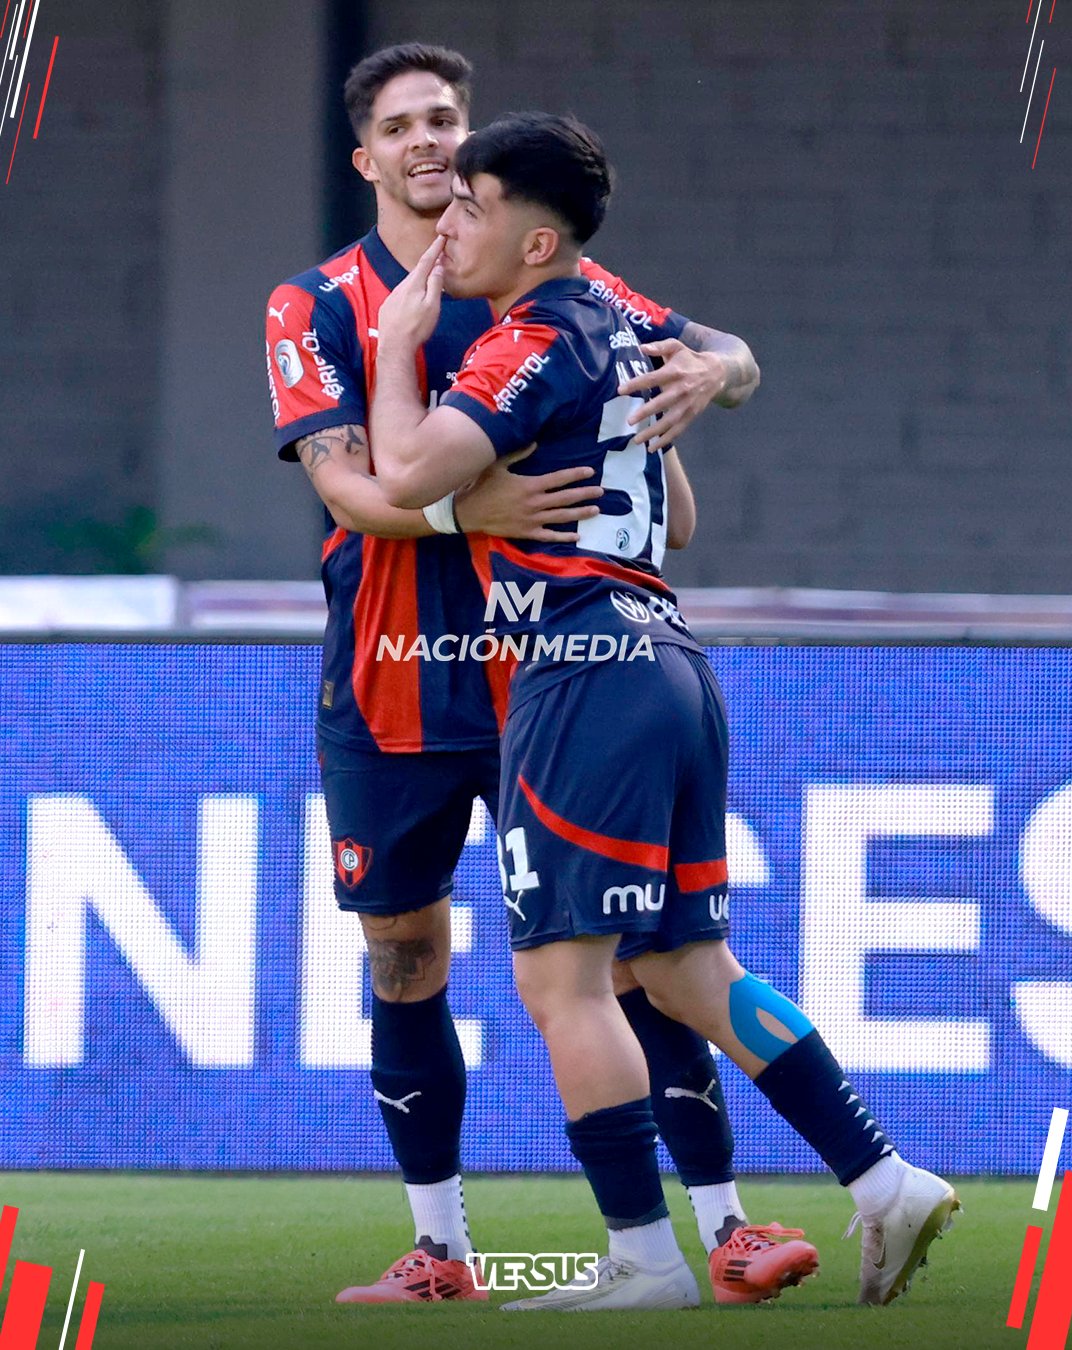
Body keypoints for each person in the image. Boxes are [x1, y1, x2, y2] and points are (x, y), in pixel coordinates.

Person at [370, 110, 960, 1312]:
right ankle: (884, 1177)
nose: (451, 220)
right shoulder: (620, 319)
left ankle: (644, 1260)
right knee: (687, 967)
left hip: (582, 667)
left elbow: (405, 472)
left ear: (537, 241)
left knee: (562, 982)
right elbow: (679, 517)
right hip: (670, 659)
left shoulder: (531, 336)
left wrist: (395, 349)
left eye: (473, 204)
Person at [266, 41, 817, 1309]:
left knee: (630, 952)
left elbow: (716, 348)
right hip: (393, 672)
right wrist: (473, 511)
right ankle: (441, 1250)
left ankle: (722, 1225)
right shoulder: (319, 302)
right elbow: (348, 483)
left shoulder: (532, 268)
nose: (426, 143)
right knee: (405, 960)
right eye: (400, 125)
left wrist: (721, 371)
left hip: (552, 676)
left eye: (444, 121)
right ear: (364, 158)